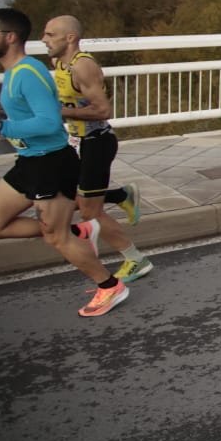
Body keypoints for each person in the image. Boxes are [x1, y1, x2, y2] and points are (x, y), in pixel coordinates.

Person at [0, 8, 129, 316]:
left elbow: (48, 123)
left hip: (52, 165)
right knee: (49, 230)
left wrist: (2, 128)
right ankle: (78, 232)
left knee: (56, 237)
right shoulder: (18, 71)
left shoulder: (27, 73)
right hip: (30, 162)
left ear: (9, 37)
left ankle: (109, 287)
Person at [41, 15, 152, 282]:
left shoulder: (83, 66)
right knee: (77, 200)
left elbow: (103, 110)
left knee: (90, 211)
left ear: (70, 38)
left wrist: (59, 112)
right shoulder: (58, 62)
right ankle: (120, 195)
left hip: (96, 144)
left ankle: (136, 260)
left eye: (49, 34)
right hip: (76, 143)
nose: (43, 40)